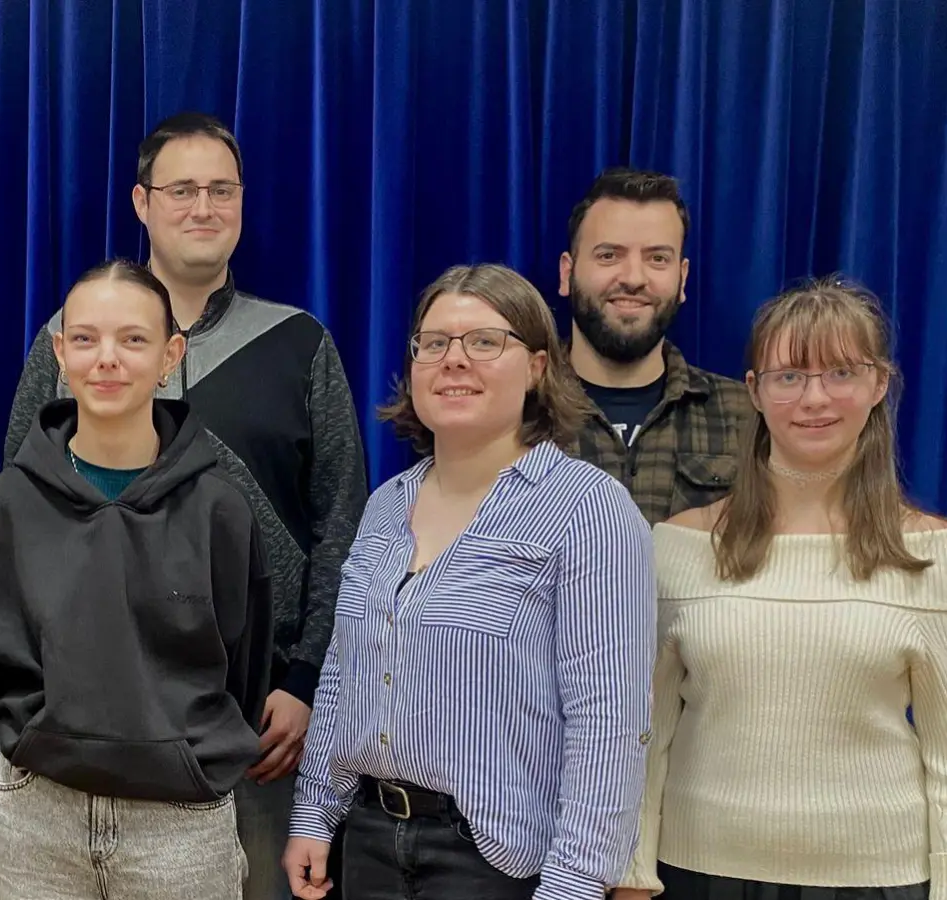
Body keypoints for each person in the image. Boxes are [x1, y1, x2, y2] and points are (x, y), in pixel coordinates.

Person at [3, 112, 368, 897]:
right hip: (90, 728)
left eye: (221, 190)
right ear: (141, 202)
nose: (202, 207)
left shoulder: (299, 342)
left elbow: (343, 524)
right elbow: (19, 520)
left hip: (261, 723)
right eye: (181, 190)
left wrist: (305, 685)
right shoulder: (64, 343)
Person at [284, 263, 657, 900]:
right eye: (435, 343)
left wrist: (573, 886)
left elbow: (609, 725)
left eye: (485, 342)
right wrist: (315, 813)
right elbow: (344, 677)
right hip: (369, 842)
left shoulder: (590, 509)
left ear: (538, 367)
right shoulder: (385, 505)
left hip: (496, 862)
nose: (454, 361)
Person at [0, 259, 273, 899]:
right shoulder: (8, 503)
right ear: (61, 353)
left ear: (170, 355)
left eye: (133, 339)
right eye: (87, 339)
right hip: (38, 816)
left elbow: (244, 662)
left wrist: (187, 751)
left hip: (179, 825)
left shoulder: (220, 509)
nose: (108, 359)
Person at [612, 277, 945, 900]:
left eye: (841, 372)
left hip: (876, 881)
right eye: (789, 376)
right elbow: (644, 736)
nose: (813, 397)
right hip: (699, 875)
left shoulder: (931, 556)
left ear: (879, 385)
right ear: (755, 393)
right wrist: (632, 873)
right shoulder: (678, 548)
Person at [559, 167, 754, 524]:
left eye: (657, 259)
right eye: (608, 255)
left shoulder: (746, 415)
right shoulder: (516, 408)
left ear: (682, 279)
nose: (633, 278)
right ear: (566, 274)